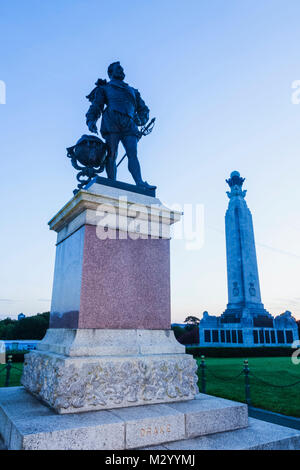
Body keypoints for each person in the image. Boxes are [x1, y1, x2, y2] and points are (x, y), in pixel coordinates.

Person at [86, 62, 156, 190]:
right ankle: (112, 182)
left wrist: (140, 120)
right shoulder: (105, 88)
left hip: (129, 124)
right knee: (112, 154)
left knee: (133, 154)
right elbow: (96, 106)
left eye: (122, 69)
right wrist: (91, 120)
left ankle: (139, 182)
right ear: (110, 73)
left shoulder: (133, 91)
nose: (121, 71)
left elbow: (144, 110)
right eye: (118, 69)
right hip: (112, 122)